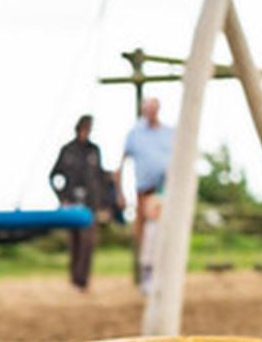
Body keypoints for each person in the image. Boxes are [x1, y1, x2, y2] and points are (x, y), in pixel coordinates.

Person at [114, 97, 173, 285]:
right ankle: (147, 272)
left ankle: (164, 272)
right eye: (147, 109)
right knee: (147, 232)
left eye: (154, 109)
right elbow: (121, 164)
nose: (150, 112)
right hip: (145, 191)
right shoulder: (135, 134)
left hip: (168, 190)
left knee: (166, 232)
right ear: (142, 110)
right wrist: (120, 192)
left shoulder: (169, 133)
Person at [49, 114, 105, 292]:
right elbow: (54, 175)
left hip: (90, 204)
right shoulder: (68, 150)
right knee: (74, 241)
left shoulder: (94, 150)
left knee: (87, 240)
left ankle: (83, 280)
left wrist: (103, 203)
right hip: (71, 202)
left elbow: (100, 178)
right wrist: (62, 197)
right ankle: (74, 278)